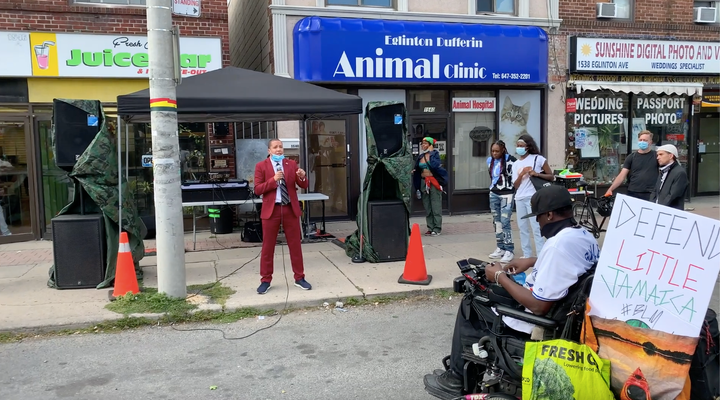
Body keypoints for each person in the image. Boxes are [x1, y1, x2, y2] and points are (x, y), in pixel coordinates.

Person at [424, 185, 600, 398]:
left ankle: (456, 378)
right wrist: (532, 261)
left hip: (538, 320)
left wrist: (499, 276)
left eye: (539, 217)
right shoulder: (582, 235)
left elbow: (538, 306)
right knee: (489, 292)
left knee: (472, 302)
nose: (537, 222)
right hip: (563, 309)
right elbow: (570, 264)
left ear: (550, 215)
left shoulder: (557, 246)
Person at [253, 139, 312, 294]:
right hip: (271, 211)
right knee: (268, 246)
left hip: (289, 209)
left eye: (280, 147)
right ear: (269, 150)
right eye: (275, 147)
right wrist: (273, 180)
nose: (278, 149)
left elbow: (303, 185)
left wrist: (302, 176)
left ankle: (300, 278)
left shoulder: (291, 164)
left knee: (295, 245)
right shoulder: (261, 166)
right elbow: (258, 189)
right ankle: (265, 280)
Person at [511, 134, 553, 258]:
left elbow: (551, 176)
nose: (519, 148)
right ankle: (527, 254)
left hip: (533, 197)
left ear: (528, 147)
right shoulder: (516, 164)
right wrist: (521, 174)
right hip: (519, 197)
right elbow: (516, 185)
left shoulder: (538, 159)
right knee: (522, 227)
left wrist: (536, 174)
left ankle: (541, 254)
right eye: (517, 146)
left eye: (521, 146)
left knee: (536, 226)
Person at [605, 130, 658, 201]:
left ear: (650, 142)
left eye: (645, 140)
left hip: (650, 193)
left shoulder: (656, 156)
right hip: (633, 192)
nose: (642, 142)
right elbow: (622, 175)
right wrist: (610, 189)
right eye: (640, 140)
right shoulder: (631, 157)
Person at [486, 140, 516, 263]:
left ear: (503, 149)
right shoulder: (490, 161)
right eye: (493, 151)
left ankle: (509, 249)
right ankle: (500, 247)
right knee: (496, 221)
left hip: (507, 193)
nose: (494, 153)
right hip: (494, 192)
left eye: (497, 151)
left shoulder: (512, 160)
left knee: (505, 221)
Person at [412, 137, 448, 236]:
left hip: (433, 182)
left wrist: (431, 153)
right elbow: (418, 168)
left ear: (430, 145)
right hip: (424, 182)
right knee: (427, 206)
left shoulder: (435, 155)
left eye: (425, 143)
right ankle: (430, 227)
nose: (423, 145)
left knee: (435, 205)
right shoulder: (420, 156)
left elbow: (435, 166)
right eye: (422, 144)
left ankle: (437, 228)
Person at [650, 144, 688, 210]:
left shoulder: (679, 173)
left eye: (661, 154)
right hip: (658, 209)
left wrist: (660, 208)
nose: (658, 157)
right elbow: (655, 190)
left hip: (670, 211)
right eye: (657, 155)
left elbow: (673, 196)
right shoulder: (663, 170)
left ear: (670, 156)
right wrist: (652, 205)